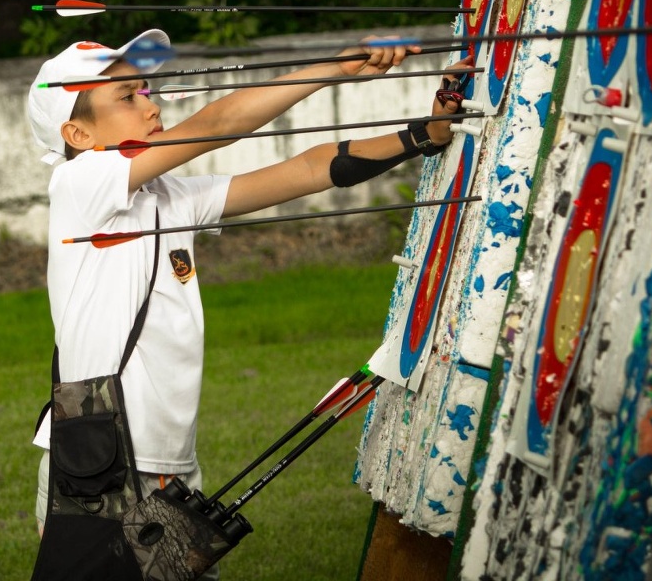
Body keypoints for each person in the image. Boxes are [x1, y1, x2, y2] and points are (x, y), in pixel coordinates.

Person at [25, 28, 460, 561]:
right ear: (78, 134)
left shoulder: (169, 197)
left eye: (145, 88)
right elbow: (216, 126)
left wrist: (424, 135)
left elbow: (307, 169)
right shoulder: (79, 184)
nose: (149, 102)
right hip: (104, 461)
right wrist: (336, 68)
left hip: (166, 458)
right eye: (127, 96)